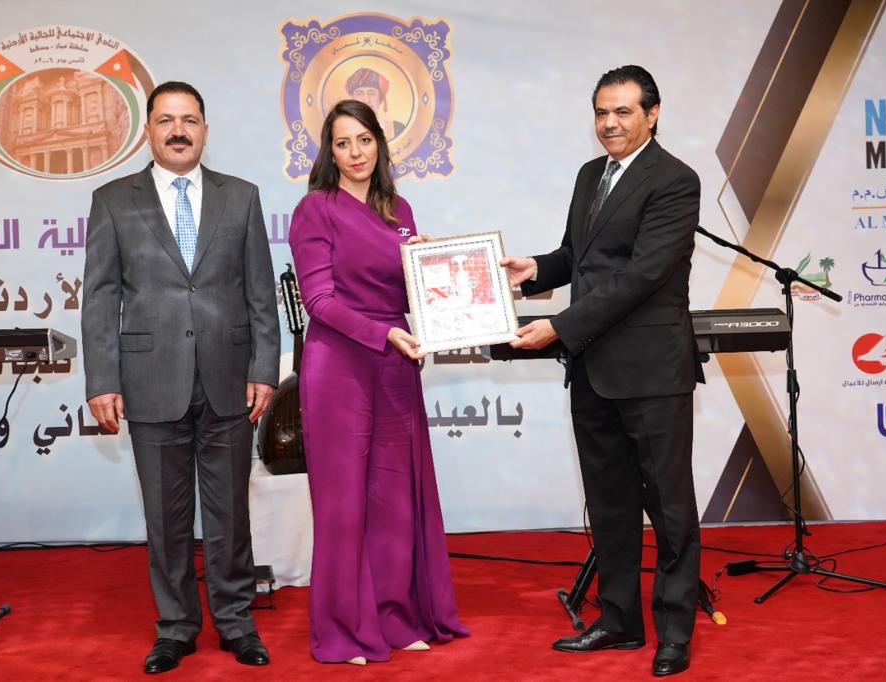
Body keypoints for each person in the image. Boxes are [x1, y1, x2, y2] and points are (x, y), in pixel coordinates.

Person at [501, 65, 702, 677]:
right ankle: (618, 621)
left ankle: (674, 632)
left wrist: (561, 326)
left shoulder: (675, 180)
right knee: (609, 504)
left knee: (669, 507)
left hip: (651, 370)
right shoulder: (591, 174)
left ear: (653, 114)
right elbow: (580, 257)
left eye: (622, 111)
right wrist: (534, 269)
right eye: (601, 112)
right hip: (593, 367)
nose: (609, 123)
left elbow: (641, 275)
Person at [81, 81, 280, 674]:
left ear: (205, 130)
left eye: (189, 120)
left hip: (229, 380)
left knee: (230, 516)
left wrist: (264, 368)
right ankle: (174, 628)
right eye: (166, 120)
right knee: (165, 521)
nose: (178, 131)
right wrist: (102, 379)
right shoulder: (112, 200)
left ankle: (237, 624)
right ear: (148, 130)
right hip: (149, 381)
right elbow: (100, 297)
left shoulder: (240, 197)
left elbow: (260, 293)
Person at [288, 99, 468, 666]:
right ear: (329, 152)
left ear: (379, 144)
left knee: (394, 500)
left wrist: (428, 270)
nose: (355, 152)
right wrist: (383, 333)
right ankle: (344, 630)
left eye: (364, 140)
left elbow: (410, 295)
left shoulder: (400, 210)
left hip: (394, 365)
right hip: (338, 367)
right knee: (343, 505)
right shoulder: (315, 209)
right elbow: (319, 301)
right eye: (342, 143)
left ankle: (393, 618)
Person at [345, 67, 406, 140]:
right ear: (352, 98)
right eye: (359, 93)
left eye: (371, 93)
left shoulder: (397, 129)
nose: (366, 100)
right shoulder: (342, 130)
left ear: (380, 98)